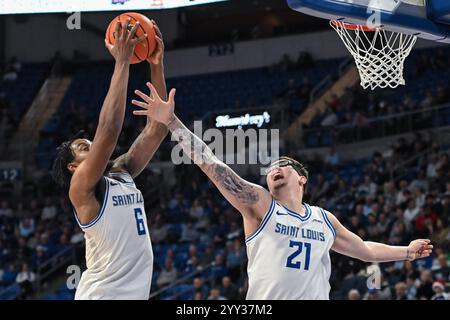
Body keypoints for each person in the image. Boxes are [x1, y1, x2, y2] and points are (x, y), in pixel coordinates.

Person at [131, 84, 434, 300]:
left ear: (302, 179)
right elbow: (211, 165)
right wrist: (171, 122)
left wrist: (406, 251)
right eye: (270, 168)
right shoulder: (261, 205)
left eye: (283, 165)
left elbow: (365, 250)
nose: (273, 169)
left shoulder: (324, 219)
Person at [51, 19, 168, 299]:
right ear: (73, 166)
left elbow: (158, 127)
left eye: (90, 143)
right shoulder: (81, 187)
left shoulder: (122, 171)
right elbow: (109, 129)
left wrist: (156, 64)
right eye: (83, 147)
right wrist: (123, 62)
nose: (92, 146)